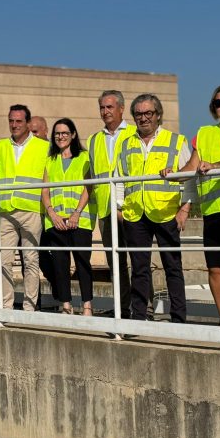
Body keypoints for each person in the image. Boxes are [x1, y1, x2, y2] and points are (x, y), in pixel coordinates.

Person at [163, 84, 220, 327]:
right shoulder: (204, 133)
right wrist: (172, 174)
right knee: (215, 267)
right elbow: (191, 168)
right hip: (214, 209)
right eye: (218, 103)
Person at [116, 94, 193, 323]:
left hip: (166, 212)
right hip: (135, 214)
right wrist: (120, 208)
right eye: (138, 114)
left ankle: (179, 319)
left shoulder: (176, 141)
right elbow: (119, 178)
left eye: (148, 113)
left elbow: (189, 178)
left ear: (158, 115)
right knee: (139, 269)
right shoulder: (126, 143)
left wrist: (184, 209)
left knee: (173, 267)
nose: (143, 118)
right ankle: (139, 317)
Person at [0, 105, 49, 311]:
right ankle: (6, 307)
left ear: (27, 123)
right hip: (6, 210)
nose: (14, 125)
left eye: (18, 121)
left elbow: (46, 178)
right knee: (3, 261)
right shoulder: (0, 146)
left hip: (31, 209)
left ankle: (29, 308)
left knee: (31, 261)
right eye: (11, 121)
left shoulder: (43, 147)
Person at [88, 90, 136, 318]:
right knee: (115, 262)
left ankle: (141, 308)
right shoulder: (94, 139)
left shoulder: (135, 133)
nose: (105, 112)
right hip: (105, 209)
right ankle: (122, 308)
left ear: (121, 108)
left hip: (132, 208)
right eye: (102, 108)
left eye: (109, 107)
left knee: (139, 261)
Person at [41, 119, 95, 316]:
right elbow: (44, 190)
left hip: (79, 220)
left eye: (64, 133)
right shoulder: (50, 160)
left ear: (73, 134)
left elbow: (88, 187)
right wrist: (52, 213)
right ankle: (66, 305)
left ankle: (87, 306)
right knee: (60, 265)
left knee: (83, 264)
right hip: (56, 221)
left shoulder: (84, 157)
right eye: (57, 133)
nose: (60, 136)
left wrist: (77, 213)